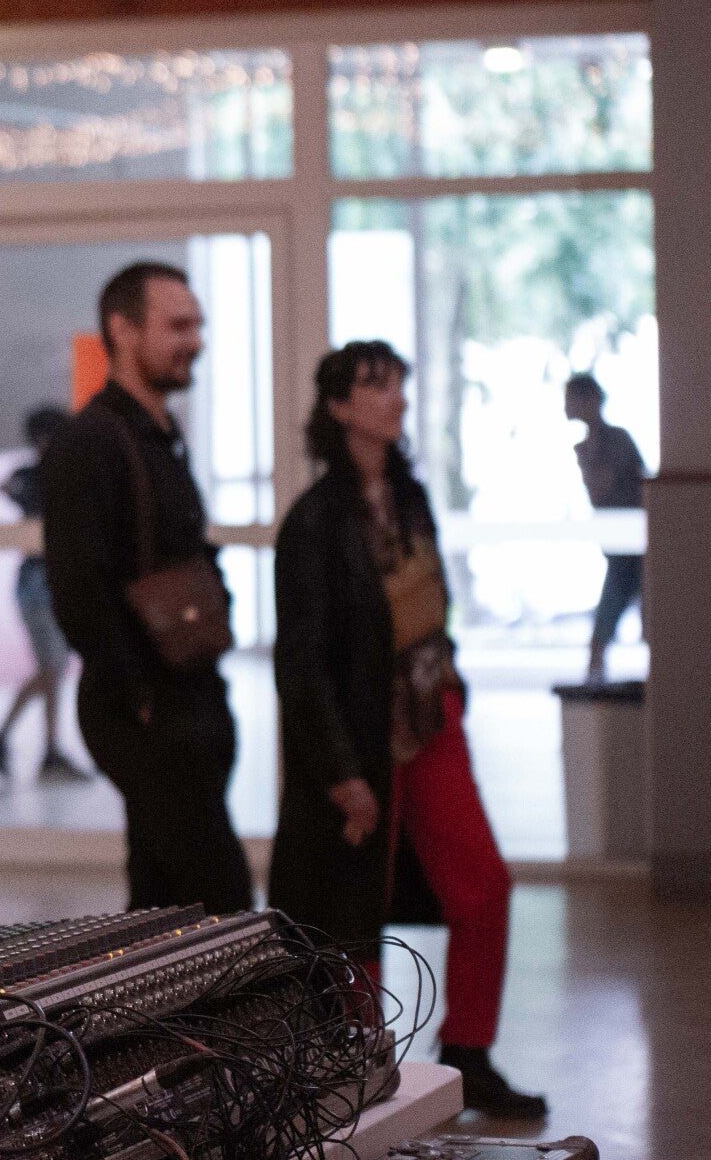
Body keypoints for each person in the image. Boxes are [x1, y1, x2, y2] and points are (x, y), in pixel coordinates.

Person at [269, 341, 546, 1119]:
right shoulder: (314, 521)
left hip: (430, 721)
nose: (394, 397)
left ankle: (468, 1051)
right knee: (356, 905)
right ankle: (363, 1065)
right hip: (360, 737)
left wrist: (448, 681)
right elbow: (302, 661)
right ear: (338, 407)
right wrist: (339, 771)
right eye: (375, 385)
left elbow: (431, 607)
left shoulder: (410, 496)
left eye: (397, 383)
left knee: (482, 884)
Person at [40, 262, 253, 914]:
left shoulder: (160, 434)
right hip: (146, 707)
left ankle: (149, 987)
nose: (195, 341)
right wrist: (137, 695)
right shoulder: (89, 443)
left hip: (185, 693)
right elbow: (78, 587)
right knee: (219, 900)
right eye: (178, 326)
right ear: (123, 330)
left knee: (161, 900)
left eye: (198, 326)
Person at [0, 406, 90, 782]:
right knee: (52, 669)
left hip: (41, 584)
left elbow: (6, 487)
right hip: (42, 585)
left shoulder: (35, 477)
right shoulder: (51, 477)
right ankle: (44, 750)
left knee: (51, 670)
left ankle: (13, 741)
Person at [564, 373, 646, 682]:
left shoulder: (617, 441)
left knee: (650, 624)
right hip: (620, 550)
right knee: (602, 634)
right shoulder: (588, 448)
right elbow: (599, 492)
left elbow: (610, 487)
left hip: (636, 548)